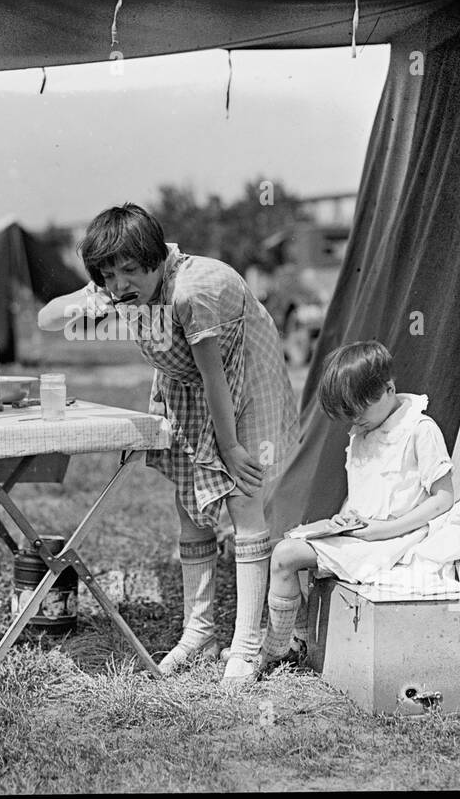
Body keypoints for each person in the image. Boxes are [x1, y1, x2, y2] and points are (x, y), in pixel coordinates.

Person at [38, 204, 298, 683]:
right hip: (184, 389)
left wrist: (233, 448)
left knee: (244, 500)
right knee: (190, 506)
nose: (119, 285)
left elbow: (215, 376)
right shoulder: (117, 282)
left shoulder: (193, 291)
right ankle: (199, 631)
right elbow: (46, 319)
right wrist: (87, 301)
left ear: (156, 259)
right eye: (108, 275)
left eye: (130, 272)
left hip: (241, 379)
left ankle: (247, 642)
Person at [260, 339, 456, 667]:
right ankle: (293, 642)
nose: (355, 422)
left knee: (285, 556)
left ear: (389, 389)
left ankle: (277, 651)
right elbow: (363, 492)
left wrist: (385, 529)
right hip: (365, 533)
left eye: (360, 412)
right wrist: (343, 517)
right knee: (287, 544)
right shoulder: (363, 431)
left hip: (398, 539)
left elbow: (443, 498)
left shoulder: (419, 429)